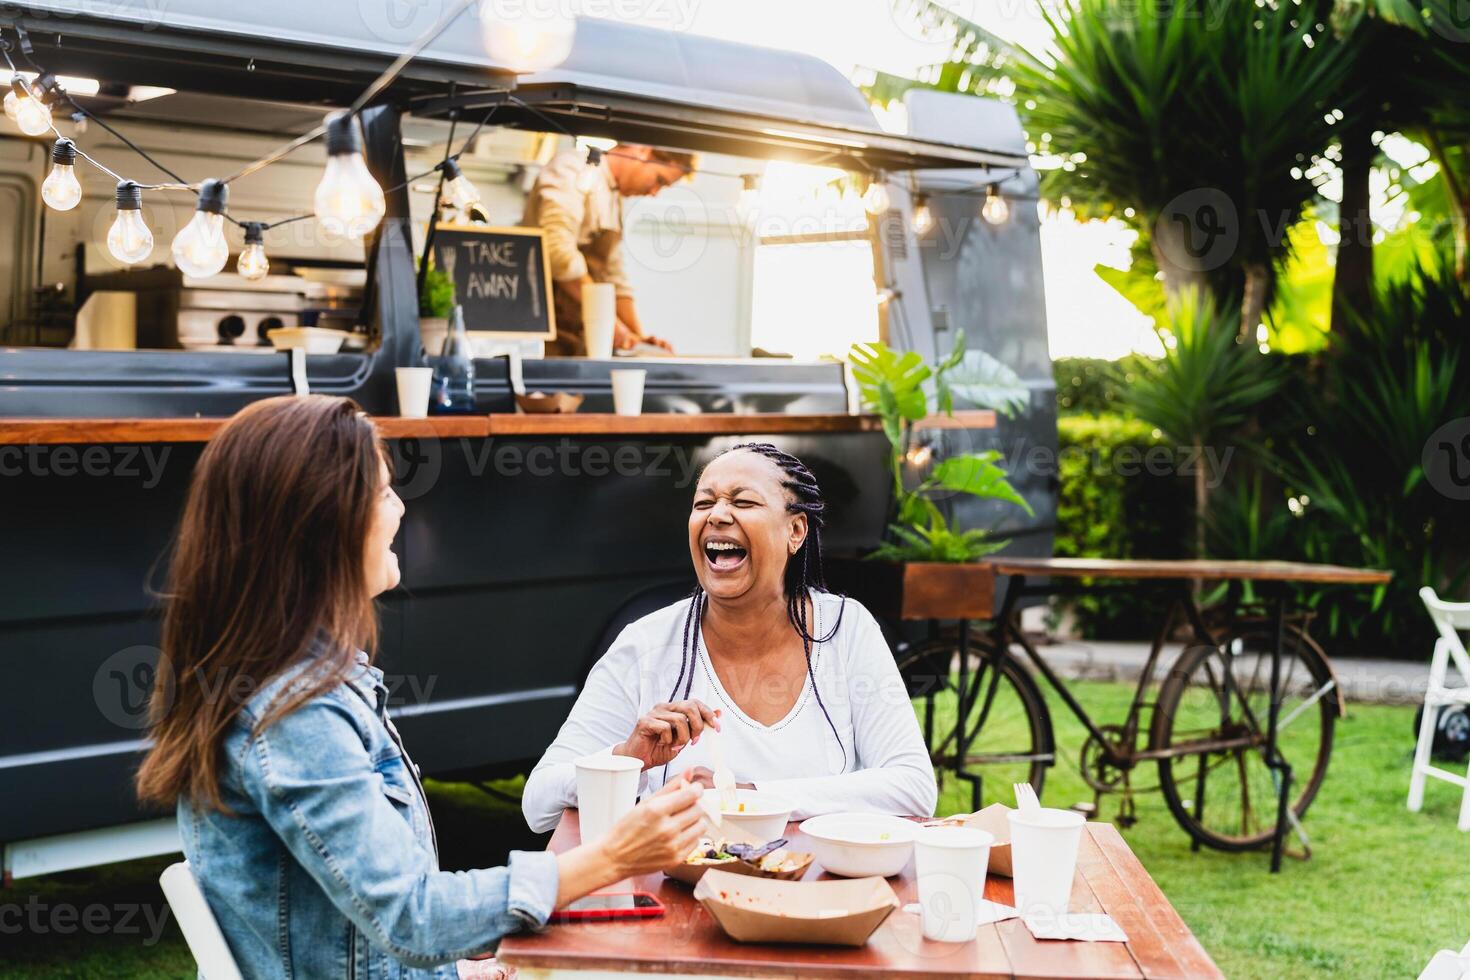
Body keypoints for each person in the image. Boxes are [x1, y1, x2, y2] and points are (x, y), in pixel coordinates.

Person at [135, 395, 706, 979]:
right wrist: (612, 857)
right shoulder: (293, 713)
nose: (401, 509)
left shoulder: (296, 679)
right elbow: (410, 914)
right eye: (382, 491)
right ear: (321, 525)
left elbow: (360, 924)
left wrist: (457, 971)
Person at [522, 444, 937, 834]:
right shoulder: (646, 645)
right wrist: (627, 761)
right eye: (704, 503)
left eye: (743, 502)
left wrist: (744, 798)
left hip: (824, 892)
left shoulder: (846, 629)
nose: (717, 515)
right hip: (687, 894)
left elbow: (914, 787)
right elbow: (538, 803)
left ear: (795, 531)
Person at [521, 143, 694, 356]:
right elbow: (558, 254)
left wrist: (638, 338)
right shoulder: (573, 169)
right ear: (643, 151)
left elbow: (615, 276)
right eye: (659, 180)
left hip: (578, 335)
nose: (654, 193)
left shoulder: (613, 197)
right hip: (539, 333)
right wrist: (611, 325)